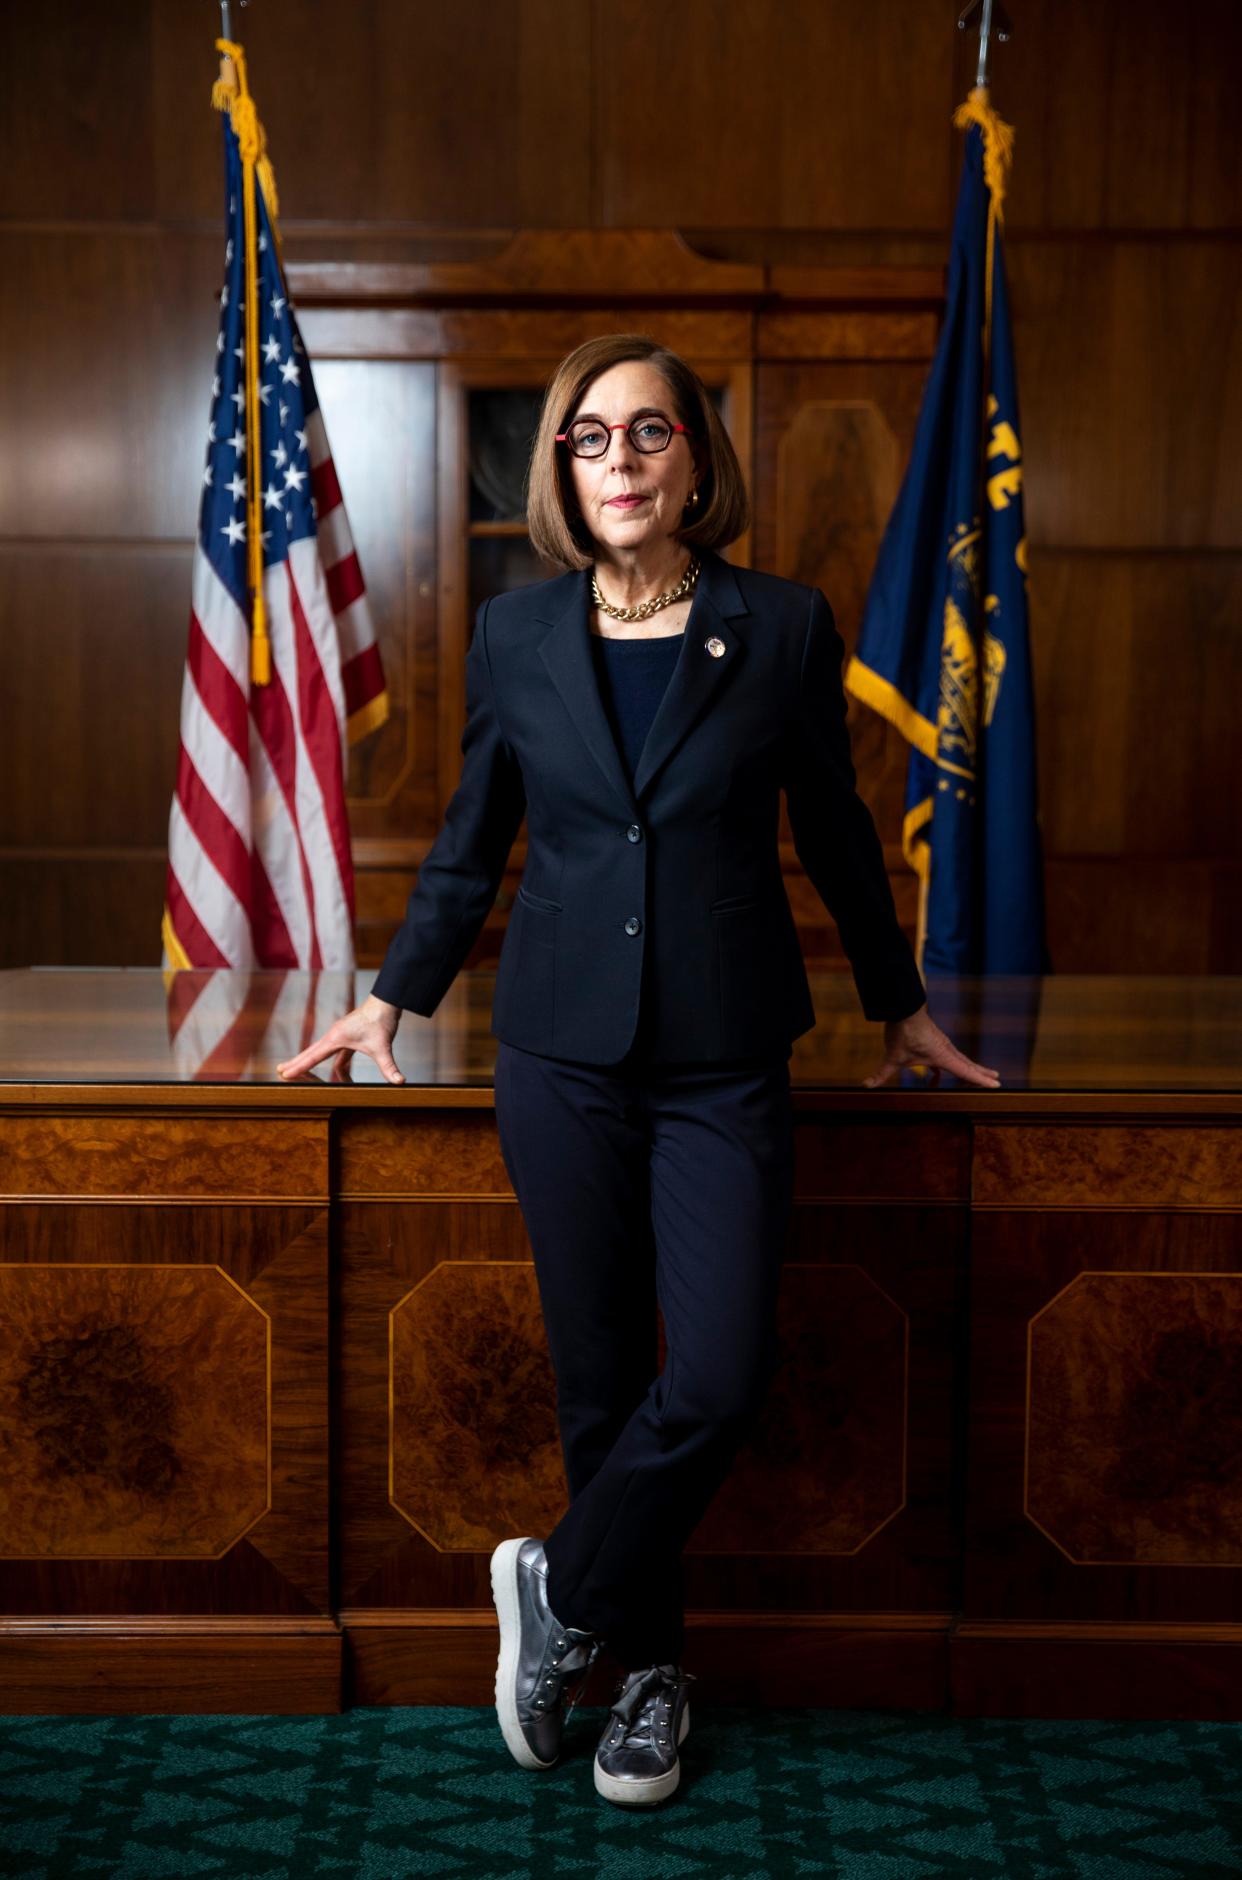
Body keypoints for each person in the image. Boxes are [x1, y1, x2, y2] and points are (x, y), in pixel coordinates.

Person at [276, 333, 1001, 1808]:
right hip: (558, 1057)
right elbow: (476, 833)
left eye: (647, 434)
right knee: (600, 1384)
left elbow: (840, 838)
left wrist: (896, 1002)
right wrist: (392, 997)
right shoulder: (513, 635)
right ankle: (644, 1681)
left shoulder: (781, 626)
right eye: (588, 440)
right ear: (561, 470)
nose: (618, 462)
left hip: (724, 1057)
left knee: (717, 1373)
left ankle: (558, 1583)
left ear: (692, 461)